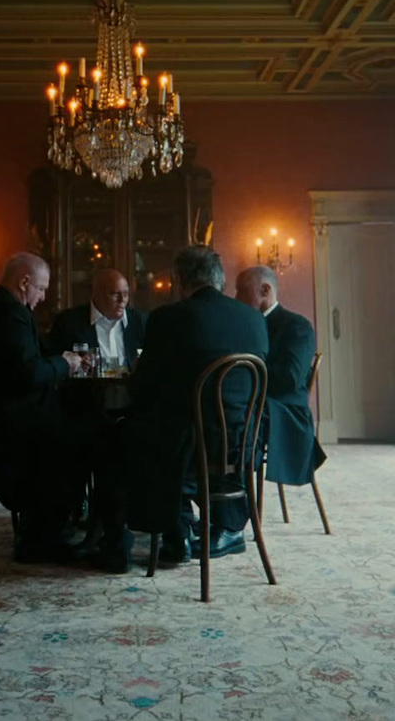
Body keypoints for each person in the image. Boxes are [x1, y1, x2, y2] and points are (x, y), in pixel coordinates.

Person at [91, 245, 268, 573]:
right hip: (241, 443)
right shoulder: (254, 320)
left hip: (185, 447)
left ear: (179, 279)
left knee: (112, 438)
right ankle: (185, 529)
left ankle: (119, 544)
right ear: (220, 280)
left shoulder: (168, 318)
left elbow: (143, 388)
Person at [0, 252, 87, 563]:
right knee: (81, 437)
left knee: (73, 427)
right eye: (41, 289)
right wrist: (65, 364)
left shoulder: (1, 309)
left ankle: (53, 526)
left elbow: (30, 360)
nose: (42, 297)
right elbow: (29, 374)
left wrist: (59, 357)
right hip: (0, 428)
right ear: (24, 282)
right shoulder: (7, 315)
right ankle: (44, 536)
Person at [235, 265, 327, 489]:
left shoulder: (297, 326)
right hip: (257, 402)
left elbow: (290, 378)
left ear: (265, 290)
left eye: (242, 291)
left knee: (238, 418)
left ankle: (236, 498)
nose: (236, 298)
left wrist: (246, 373)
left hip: (285, 408)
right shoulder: (243, 325)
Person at [46, 268, 147, 366]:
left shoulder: (140, 321)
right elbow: (55, 361)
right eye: (115, 294)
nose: (122, 300)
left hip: (130, 383)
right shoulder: (68, 322)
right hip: (88, 383)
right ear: (97, 294)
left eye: (126, 294)